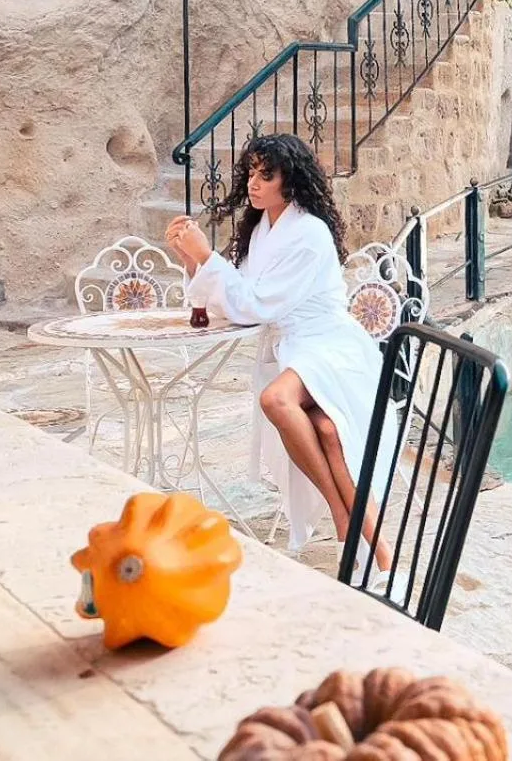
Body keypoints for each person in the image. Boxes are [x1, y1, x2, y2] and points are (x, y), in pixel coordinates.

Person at [164, 134, 392, 572]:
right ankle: (378, 551)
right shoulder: (261, 229)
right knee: (326, 430)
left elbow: (256, 305)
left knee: (276, 399)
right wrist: (193, 260)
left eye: (266, 175)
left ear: (291, 182)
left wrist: (207, 256)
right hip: (296, 349)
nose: (253, 183)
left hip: (331, 346)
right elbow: (240, 297)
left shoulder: (309, 233)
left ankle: (344, 516)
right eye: (250, 172)